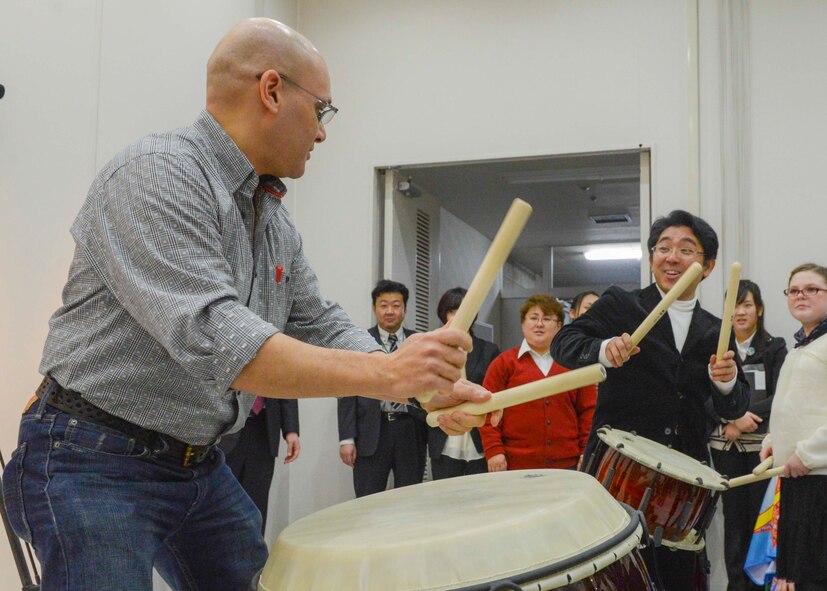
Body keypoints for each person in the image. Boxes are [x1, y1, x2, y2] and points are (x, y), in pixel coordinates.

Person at [0, 19, 496, 591]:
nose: (322, 133)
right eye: (322, 110)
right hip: (92, 456)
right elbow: (221, 340)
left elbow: (317, 320)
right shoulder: (158, 172)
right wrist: (387, 372)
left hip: (195, 460)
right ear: (271, 90)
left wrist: (421, 387)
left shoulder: (271, 215)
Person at [551, 210, 749, 591]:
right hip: (618, 468)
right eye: (664, 248)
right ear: (652, 256)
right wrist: (603, 349)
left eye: (686, 249)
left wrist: (725, 383)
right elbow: (565, 343)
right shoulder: (621, 305)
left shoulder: (715, 329)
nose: (672, 257)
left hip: (681, 480)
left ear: (706, 266)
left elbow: (734, 407)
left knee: (675, 576)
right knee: (615, 575)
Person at [706, 280, 787, 591]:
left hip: (761, 449)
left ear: (760, 309)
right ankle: (736, 585)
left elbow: (781, 394)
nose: (740, 312)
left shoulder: (775, 347)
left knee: (760, 517)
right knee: (733, 519)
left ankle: (759, 585)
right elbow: (702, 395)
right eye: (735, 306)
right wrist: (730, 417)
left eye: (747, 305)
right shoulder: (714, 348)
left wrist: (742, 418)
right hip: (725, 445)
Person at [760, 263, 827, 591]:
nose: (801, 295)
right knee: (792, 579)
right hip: (795, 477)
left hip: (819, 479)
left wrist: (808, 453)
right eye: (794, 290)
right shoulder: (800, 348)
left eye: (812, 289)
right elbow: (790, 405)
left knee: (813, 578)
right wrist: (774, 440)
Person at [480, 294, 596, 471]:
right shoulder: (503, 363)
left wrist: (586, 451)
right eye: (533, 318)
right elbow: (487, 411)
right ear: (523, 323)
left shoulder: (574, 364)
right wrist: (494, 450)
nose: (539, 324)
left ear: (559, 325)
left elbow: (588, 412)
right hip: (515, 465)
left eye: (547, 319)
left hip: (567, 466)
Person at [337, 280, 429, 496]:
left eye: (396, 305)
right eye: (384, 305)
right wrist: (346, 438)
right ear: (374, 308)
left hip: (411, 429)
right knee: (367, 498)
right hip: (371, 432)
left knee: (410, 497)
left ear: (405, 308)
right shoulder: (360, 341)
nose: (390, 311)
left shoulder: (418, 342)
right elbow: (347, 390)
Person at [427, 287, 500, 479]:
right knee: (446, 498)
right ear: (444, 314)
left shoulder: (489, 350)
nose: (458, 317)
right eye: (452, 311)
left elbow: (494, 393)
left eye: (463, 311)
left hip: (479, 436)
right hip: (443, 437)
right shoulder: (431, 351)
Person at [219, 396, 300, 533]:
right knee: (222, 504)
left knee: (257, 505)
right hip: (226, 428)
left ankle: (254, 553)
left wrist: (291, 429)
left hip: (265, 426)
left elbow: (286, 380)